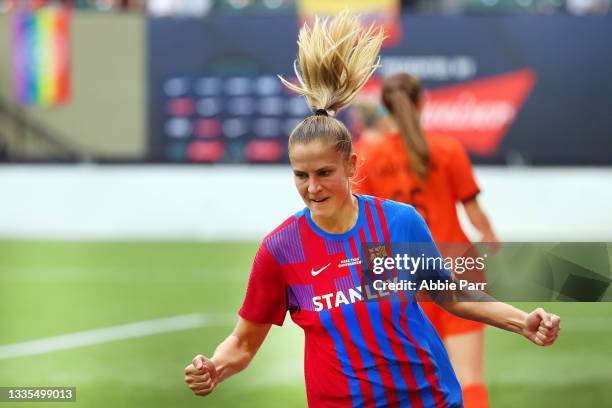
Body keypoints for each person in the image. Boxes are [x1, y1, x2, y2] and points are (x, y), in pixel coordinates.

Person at [184, 11, 560, 408]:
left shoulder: (398, 223)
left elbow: (451, 296)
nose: (312, 188)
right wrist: (215, 367)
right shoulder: (280, 249)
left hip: (427, 400)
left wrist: (522, 322)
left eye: (325, 172)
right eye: (301, 175)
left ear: (351, 166)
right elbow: (243, 342)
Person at [354, 73, 500, 407]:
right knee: (470, 380)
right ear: (422, 102)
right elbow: (474, 211)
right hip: (458, 265)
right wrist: (490, 234)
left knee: (415, 385)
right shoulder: (448, 149)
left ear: (385, 107)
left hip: (405, 275)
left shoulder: (365, 156)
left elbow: (366, 228)